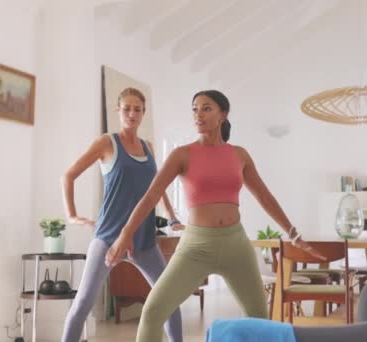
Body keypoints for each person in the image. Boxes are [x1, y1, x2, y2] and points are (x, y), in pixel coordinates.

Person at [105, 90, 323, 342]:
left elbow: (265, 197)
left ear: (223, 115)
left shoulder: (239, 155)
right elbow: (150, 197)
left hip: (236, 245)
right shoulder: (182, 154)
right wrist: (125, 234)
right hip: (195, 247)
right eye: (195, 109)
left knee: (259, 317)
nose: (198, 114)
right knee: (154, 311)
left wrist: (293, 233)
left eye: (206, 108)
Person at [60, 87, 183, 342]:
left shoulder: (148, 147)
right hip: (108, 236)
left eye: (137, 109)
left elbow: (157, 188)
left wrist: (172, 217)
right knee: (83, 302)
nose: (132, 114)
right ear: (118, 111)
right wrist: (72, 215)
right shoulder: (107, 143)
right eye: (126, 108)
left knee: (169, 298)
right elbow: (68, 175)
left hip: (144, 240)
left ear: (143, 113)